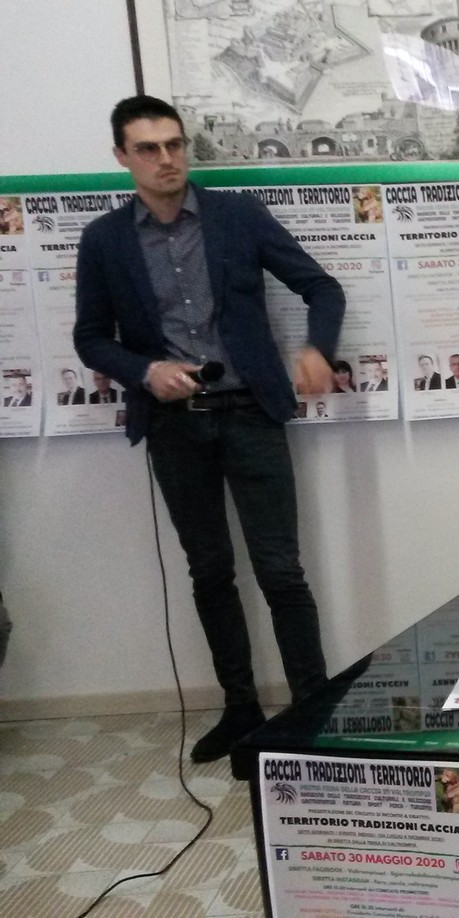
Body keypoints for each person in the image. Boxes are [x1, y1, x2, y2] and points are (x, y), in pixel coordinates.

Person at [74, 95, 343, 762]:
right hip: (175, 425)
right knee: (211, 572)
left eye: (174, 144)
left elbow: (322, 288)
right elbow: (90, 338)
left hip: (250, 412)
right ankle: (241, 711)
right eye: (148, 148)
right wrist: (145, 371)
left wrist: (317, 348)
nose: (166, 159)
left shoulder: (237, 215)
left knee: (281, 571)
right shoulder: (105, 240)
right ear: (122, 157)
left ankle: (309, 715)